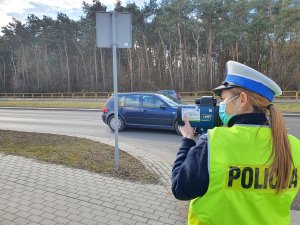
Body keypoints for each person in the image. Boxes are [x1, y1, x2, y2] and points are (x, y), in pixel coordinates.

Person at [172, 61, 300, 225]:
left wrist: (187, 141)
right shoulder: (294, 146)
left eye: (224, 98)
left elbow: (180, 188)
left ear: (242, 99)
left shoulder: (215, 141)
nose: (222, 105)